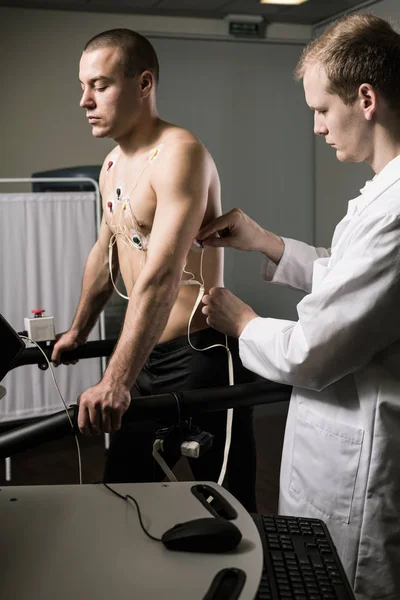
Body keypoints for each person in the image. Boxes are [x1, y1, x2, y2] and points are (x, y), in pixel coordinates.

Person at [197, 12, 400, 599]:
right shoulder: (379, 198)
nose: (316, 127)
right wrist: (266, 242)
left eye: (321, 109)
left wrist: (244, 323)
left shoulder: (395, 215)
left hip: (363, 461)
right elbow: (353, 284)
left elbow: (313, 350)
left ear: (365, 98)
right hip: (338, 440)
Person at [51, 28, 259, 512]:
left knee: (230, 506)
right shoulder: (110, 164)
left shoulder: (180, 153)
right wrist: (78, 331)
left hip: (201, 353)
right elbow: (106, 256)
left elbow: (162, 276)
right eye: (83, 87)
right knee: (125, 494)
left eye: (99, 85)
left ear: (144, 84)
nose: (84, 100)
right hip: (144, 355)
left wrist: (115, 380)